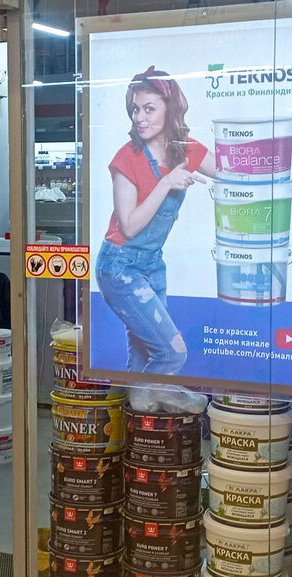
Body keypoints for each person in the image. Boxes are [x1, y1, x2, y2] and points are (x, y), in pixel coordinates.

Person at [96, 66, 214, 375]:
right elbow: (129, 226)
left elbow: (228, 171)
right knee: (172, 353)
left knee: (143, 356)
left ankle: (136, 404)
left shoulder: (183, 149)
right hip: (120, 267)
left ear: (169, 109)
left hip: (152, 265)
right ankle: (146, 398)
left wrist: (263, 153)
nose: (139, 117)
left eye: (149, 109)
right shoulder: (126, 158)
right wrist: (166, 182)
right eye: (136, 109)